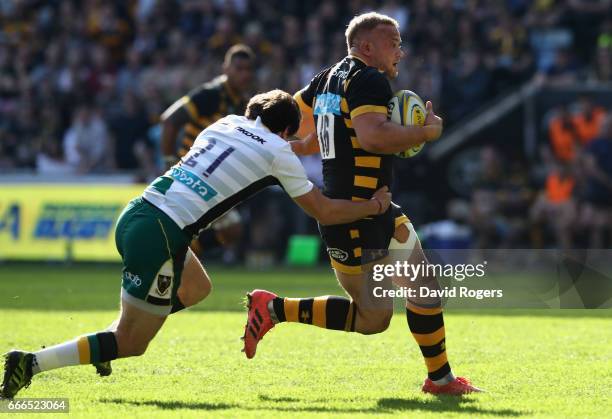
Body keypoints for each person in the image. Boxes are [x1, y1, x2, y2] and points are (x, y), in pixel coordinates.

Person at [0, 90, 392, 399]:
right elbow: (321, 209)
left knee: (197, 288)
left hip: (140, 212)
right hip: (161, 234)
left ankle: (107, 342)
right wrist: (372, 205)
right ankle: (30, 362)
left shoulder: (224, 123)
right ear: (286, 132)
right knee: (132, 343)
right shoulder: (278, 151)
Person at [242, 12, 481, 395]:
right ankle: (273, 309)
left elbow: (322, 126)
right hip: (352, 214)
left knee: (423, 287)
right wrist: (425, 132)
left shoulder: (327, 77)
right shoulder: (370, 79)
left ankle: (441, 380)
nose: (400, 52)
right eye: (394, 43)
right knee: (373, 319)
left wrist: (302, 144)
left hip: (377, 206)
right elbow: (371, 137)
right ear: (367, 46)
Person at [160, 44, 255, 259]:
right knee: (231, 228)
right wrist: (168, 161)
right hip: (190, 174)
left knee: (232, 230)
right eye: (238, 68)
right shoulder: (209, 95)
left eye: (248, 69)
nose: (244, 74)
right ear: (226, 69)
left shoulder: (240, 104)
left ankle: (177, 256)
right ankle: (175, 256)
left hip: (211, 178)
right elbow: (169, 121)